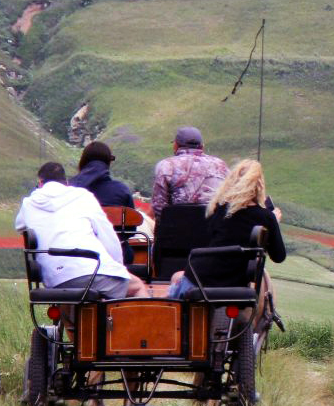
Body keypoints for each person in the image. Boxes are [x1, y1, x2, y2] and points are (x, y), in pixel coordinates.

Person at [15, 162, 147, 298]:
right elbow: (108, 238)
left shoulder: (29, 203)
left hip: (54, 279)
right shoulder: (83, 196)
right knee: (137, 287)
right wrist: (118, 267)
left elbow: (19, 226)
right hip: (92, 272)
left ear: (40, 183)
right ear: (66, 183)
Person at [167, 159, 285, 300]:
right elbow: (279, 256)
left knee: (175, 284)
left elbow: (208, 239)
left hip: (198, 277)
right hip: (233, 285)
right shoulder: (266, 217)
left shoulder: (220, 208)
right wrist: (274, 224)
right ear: (259, 185)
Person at [151, 126, 231, 223]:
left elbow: (159, 206)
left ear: (176, 145)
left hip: (176, 231)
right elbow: (228, 200)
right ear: (202, 146)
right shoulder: (220, 165)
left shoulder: (166, 165)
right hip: (212, 232)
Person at [69, 141, 134, 209]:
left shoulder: (68, 188)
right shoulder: (121, 191)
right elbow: (129, 218)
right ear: (107, 163)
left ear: (83, 161)